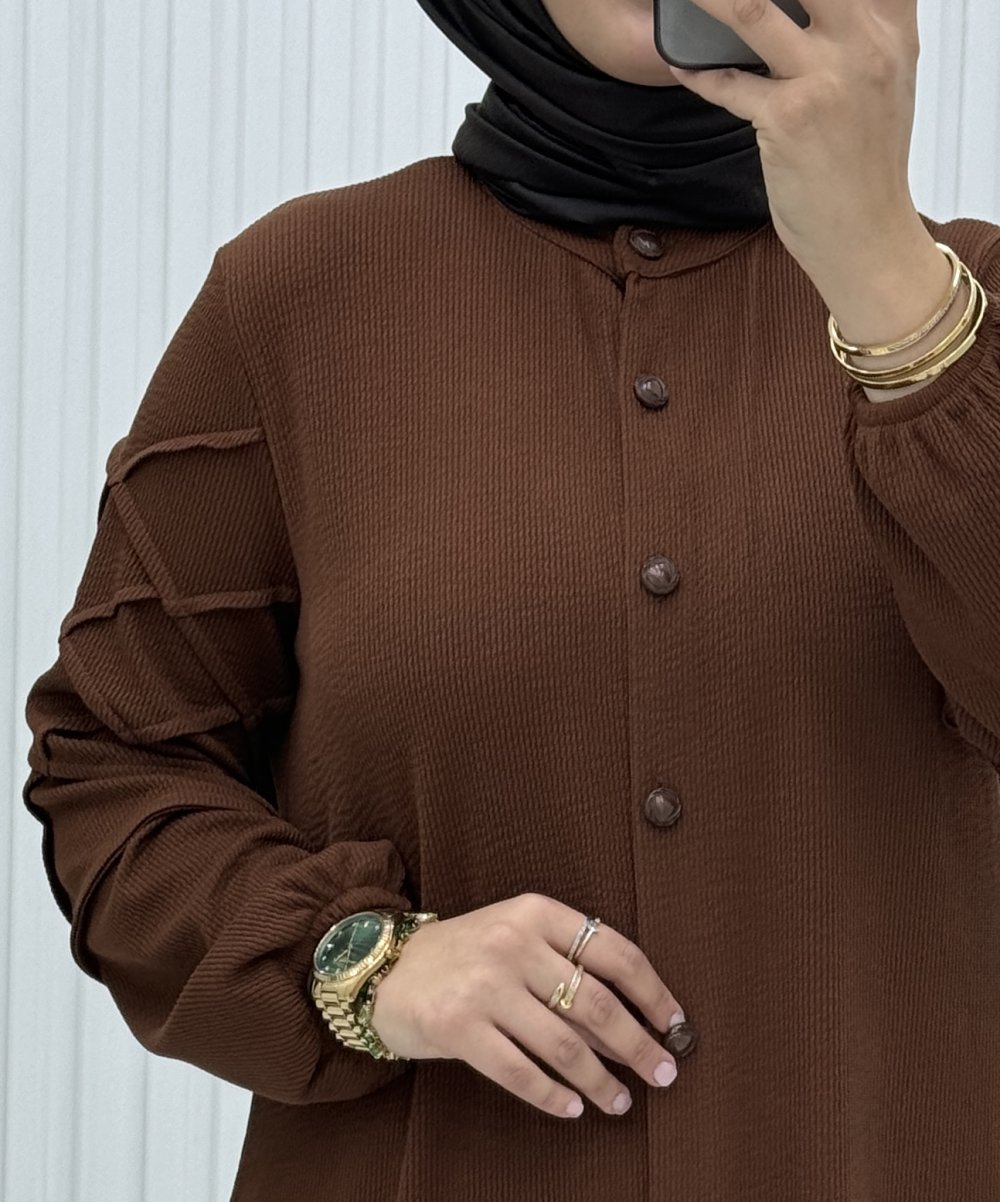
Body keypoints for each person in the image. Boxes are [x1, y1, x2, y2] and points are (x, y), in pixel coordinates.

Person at [20, 0, 1000, 1198]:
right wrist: (364, 960)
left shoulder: (969, 312)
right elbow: (113, 766)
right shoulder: (298, 299)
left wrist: (892, 289)